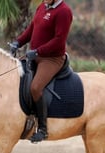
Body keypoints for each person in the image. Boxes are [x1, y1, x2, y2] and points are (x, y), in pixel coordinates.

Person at [10, 0, 73, 143]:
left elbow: (59, 40)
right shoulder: (43, 7)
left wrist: (38, 51)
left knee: (35, 87)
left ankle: (43, 130)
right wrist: (18, 42)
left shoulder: (64, 11)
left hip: (51, 59)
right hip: (36, 55)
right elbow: (32, 28)